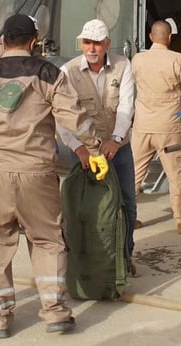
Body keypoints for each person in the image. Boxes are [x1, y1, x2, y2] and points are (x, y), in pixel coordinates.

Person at [0, 14, 106, 338]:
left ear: (2, 42)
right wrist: (95, 149)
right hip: (37, 173)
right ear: (33, 42)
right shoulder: (48, 73)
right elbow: (75, 117)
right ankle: (55, 312)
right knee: (47, 240)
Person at [55, 19, 139, 272]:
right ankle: (85, 260)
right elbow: (61, 115)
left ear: (107, 44)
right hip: (84, 153)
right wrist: (78, 149)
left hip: (119, 148)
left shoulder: (123, 66)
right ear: (81, 43)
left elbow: (126, 105)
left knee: (127, 204)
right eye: (87, 43)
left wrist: (116, 139)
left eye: (97, 43)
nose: (92, 49)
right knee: (84, 208)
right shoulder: (67, 72)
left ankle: (125, 257)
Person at [131, 19, 181, 235]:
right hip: (169, 127)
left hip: (142, 126)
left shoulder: (137, 59)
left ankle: (129, 217)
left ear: (150, 37)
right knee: (176, 174)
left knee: (134, 174)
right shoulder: (177, 59)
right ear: (169, 38)